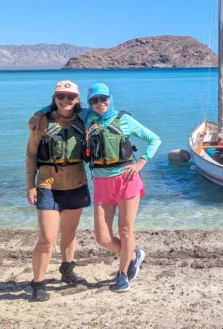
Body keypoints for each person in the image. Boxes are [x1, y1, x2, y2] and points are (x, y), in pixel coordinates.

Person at [84, 83, 160, 292]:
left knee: (125, 230)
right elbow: (60, 109)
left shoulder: (124, 120)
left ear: (110, 98)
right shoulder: (87, 118)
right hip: (101, 183)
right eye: (94, 100)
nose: (100, 104)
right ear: (89, 102)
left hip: (126, 180)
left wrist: (140, 163)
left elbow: (154, 139)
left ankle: (123, 273)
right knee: (102, 238)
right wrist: (40, 115)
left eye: (103, 99)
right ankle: (134, 256)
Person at [25, 80, 90, 302]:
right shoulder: (42, 122)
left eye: (70, 97)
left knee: (70, 232)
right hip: (48, 184)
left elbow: (107, 113)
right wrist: (30, 185)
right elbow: (31, 155)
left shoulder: (84, 120)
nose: (65, 100)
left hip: (77, 182)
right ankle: (38, 283)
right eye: (60, 96)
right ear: (54, 99)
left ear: (77, 99)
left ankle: (67, 269)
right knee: (47, 238)